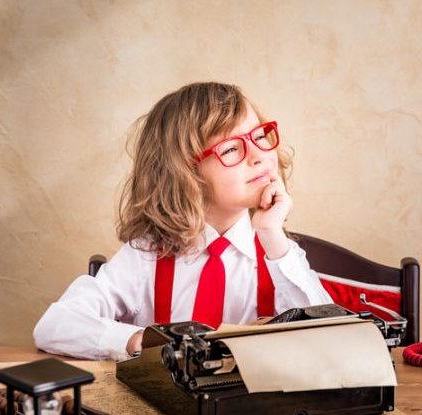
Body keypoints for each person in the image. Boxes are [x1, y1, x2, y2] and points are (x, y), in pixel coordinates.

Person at [33, 82, 333, 360]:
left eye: (258, 136)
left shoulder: (278, 257)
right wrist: (144, 341)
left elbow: (332, 341)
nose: (258, 155)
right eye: (231, 148)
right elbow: (55, 326)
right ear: (185, 173)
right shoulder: (148, 255)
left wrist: (273, 236)